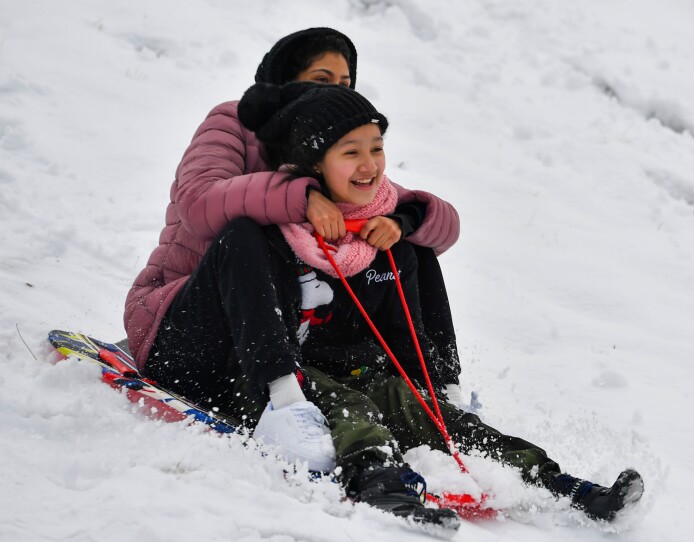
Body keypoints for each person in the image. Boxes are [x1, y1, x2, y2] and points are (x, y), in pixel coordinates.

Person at [229, 81, 644, 527]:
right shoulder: (274, 237)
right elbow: (256, 331)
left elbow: (403, 334)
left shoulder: (388, 241)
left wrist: (430, 391)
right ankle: (376, 478)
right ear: (314, 164)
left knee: (425, 410)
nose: (370, 165)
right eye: (351, 153)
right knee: (355, 408)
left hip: (362, 375)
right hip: (287, 385)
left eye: (377, 148)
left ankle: (559, 485)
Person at [123, 28, 460, 472]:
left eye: (344, 85)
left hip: (272, 337)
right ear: (282, 79)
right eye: (321, 79)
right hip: (190, 329)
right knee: (244, 234)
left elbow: (439, 225)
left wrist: (403, 220)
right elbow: (199, 200)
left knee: (409, 245)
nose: (332, 93)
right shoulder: (233, 124)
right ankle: (283, 405)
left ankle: (441, 396)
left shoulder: (330, 148)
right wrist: (300, 195)